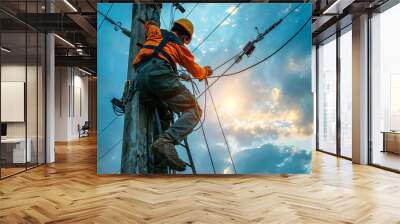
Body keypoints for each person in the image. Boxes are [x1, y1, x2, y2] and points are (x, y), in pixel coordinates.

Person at [133, 18, 213, 171]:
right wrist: (206, 72)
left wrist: (152, 23)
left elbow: (150, 25)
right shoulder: (180, 46)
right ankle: (165, 141)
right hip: (160, 73)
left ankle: (160, 159)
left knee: (165, 114)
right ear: (185, 37)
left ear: (174, 28)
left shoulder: (156, 33)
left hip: (141, 79)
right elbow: (197, 72)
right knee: (194, 110)